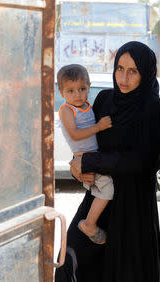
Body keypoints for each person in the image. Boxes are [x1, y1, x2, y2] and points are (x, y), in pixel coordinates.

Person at [55, 41, 160, 282]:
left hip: (133, 209)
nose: (124, 77)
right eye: (120, 69)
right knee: (70, 261)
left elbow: (144, 161)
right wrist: (78, 168)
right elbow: (86, 142)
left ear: (145, 73)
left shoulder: (155, 109)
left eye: (133, 71)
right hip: (99, 201)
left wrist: (90, 162)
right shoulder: (104, 99)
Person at [57, 64, 114, 244]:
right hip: (84, 158)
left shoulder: (88, 105)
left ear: (89, 86)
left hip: (92, 157)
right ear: (61, 93)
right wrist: (98, 126)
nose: (77, 95)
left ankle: (92, 222)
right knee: (108, 189)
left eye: (82, 89)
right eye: (71, 91)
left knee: (100, 191)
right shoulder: (67, 110)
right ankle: (89, 223)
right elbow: (74, 133)